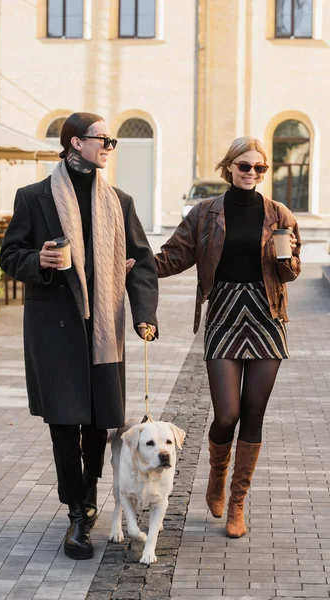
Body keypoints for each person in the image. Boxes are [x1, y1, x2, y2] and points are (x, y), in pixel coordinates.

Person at [0, 112, 158, 560]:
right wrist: (39, 263)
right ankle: (77, 511)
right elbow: (9, 255)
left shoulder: (120, 201)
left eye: (112, 139)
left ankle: (86, 500)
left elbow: (142, 263)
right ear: (74, 143)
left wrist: (145, 314)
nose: (110, 144)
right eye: (102, 138)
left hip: (105, 329)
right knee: (64, 425)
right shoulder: (33, 198)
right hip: (55, 330)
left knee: (96, 426)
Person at [154, 136, 301, 538]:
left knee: (254, 412)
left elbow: (291, 272)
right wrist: (136, 265)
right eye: (244, 166)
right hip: (224, 314)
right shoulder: (205, 213)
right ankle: (217, 473)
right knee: (226, 415)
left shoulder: (279, 214)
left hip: (266, 315)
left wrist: (285, 259)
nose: (251, 173)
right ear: (229, 167)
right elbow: (175, 256)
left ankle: (237, 503)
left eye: (259, 168)